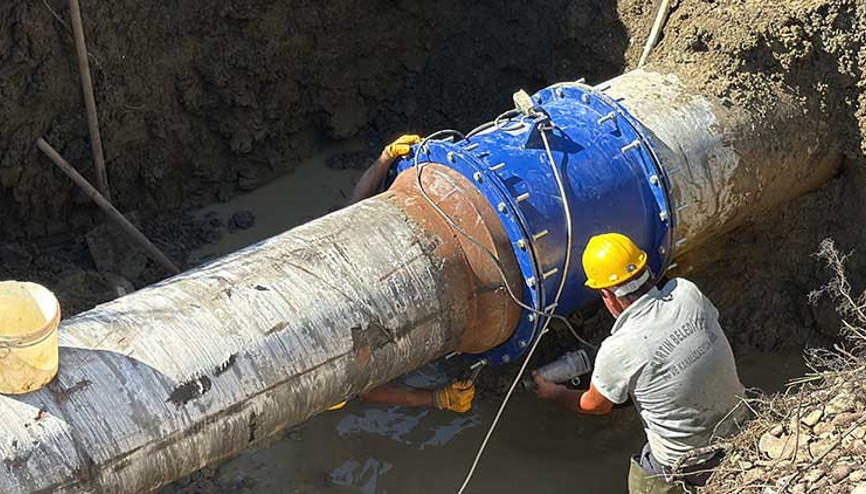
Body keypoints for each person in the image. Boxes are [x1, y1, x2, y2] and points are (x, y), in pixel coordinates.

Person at [533, 233, 745, 493]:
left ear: (607, 295)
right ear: (644, 270)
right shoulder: (687, 292)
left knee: (643, 479)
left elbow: (594, 405)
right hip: (742, 427)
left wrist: (554, 393)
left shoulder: (618, 348)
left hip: (689, 463)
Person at [332, 134, 476, 414]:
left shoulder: (338, 262)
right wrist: (436, 398)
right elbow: (369, 391)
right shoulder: (339, 368)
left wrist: (385, 159)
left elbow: (353, 208)